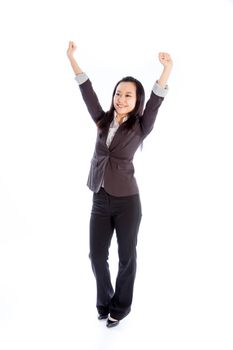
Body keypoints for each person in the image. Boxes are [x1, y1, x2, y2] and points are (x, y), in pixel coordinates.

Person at [67, 41, 173, 328]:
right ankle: (105, 301)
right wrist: (72, 59)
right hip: (100, 198)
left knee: (127, 257)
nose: (121, 98)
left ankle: (121, 307)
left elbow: (155, 101)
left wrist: (167, 69)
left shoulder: (141, 126)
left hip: (128, 202)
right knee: (96, 255)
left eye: (128, 95)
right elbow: (86, 91)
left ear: (135, 100)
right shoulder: (102, 121)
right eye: (118, 93)